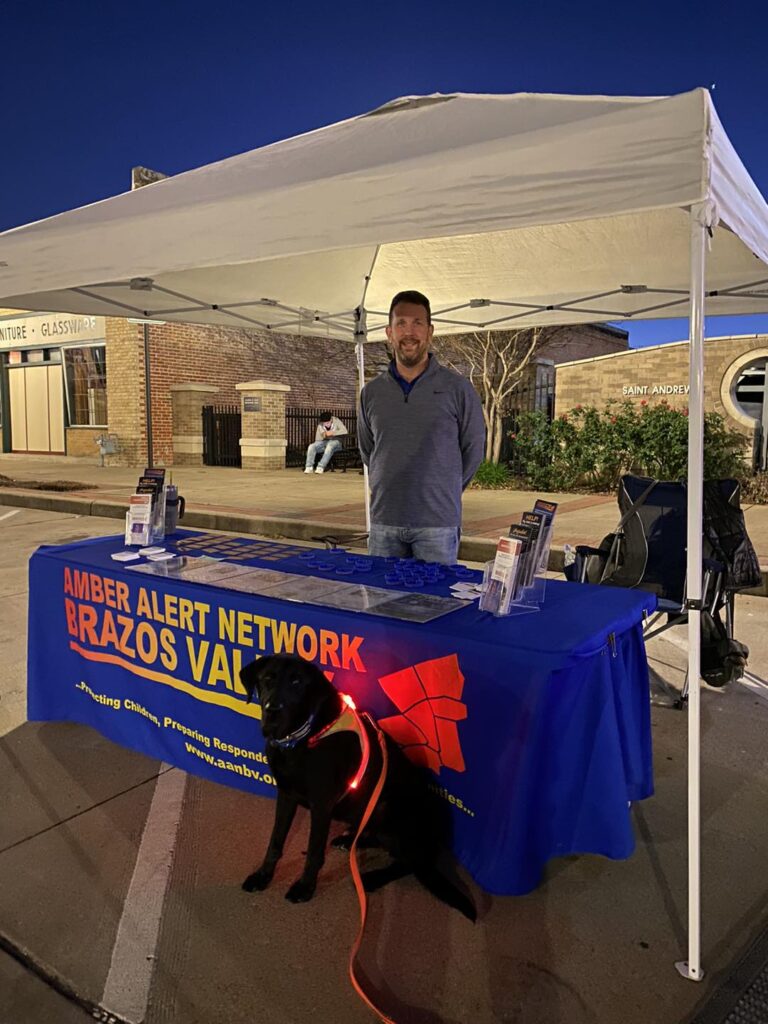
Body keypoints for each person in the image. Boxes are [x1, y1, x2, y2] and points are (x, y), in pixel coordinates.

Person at [357, 290, 485, 564]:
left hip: (437, 526)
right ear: (389, 332)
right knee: (380, 603)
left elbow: (473, 451)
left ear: (430, 331)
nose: (409, 332)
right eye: (401, 323)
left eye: (417, 323)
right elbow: (369, 451)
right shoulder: (371, 393)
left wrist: (442, 489)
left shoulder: (458, 389)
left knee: (434, 606)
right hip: (385, 522)